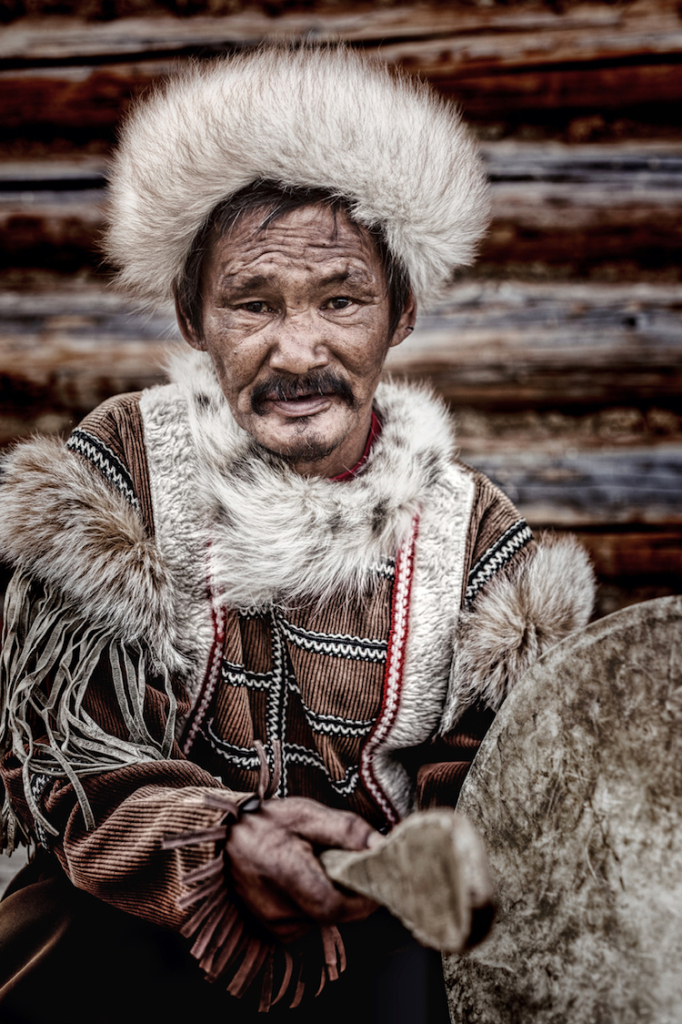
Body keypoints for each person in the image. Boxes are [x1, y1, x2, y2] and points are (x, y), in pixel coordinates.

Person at [0, 46, 594, 1023]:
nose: (298, 351)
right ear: (195, 317)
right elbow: (62, 751)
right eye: (253, 303)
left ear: (399, 313)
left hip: (377, 954)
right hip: (133, 923)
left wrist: (406, 858)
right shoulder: (126, 471)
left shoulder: (471, 533)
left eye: (339, 298)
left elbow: (511, 793)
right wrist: (220, 835)